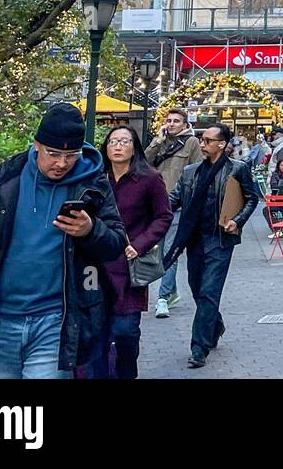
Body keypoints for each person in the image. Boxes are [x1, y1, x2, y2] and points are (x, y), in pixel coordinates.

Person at [0, 103, 126, 378]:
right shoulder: (3, 183)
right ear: (37, 145)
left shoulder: (92, 185)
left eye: (71, 155)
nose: (61, 163)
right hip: (0, 322)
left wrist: (91, 230)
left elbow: (115, 244)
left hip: (56, 321)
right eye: (53, 154)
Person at [164, 124, 262, 369]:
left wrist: (237, 221)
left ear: (222, 144)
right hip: (194, 239)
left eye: (208, 140)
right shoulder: (190, 172)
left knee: (209, 291)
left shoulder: (237, 169)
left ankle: (199, 348)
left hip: (220, 240)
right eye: (202, 139)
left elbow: (252, 197)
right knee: (197, 288)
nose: (202, 143)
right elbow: (173, 199)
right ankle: (215, 325)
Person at [92, 126, 172, 380]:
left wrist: (140, 245)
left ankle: (126, 371)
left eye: (124, 141)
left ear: (134, 147)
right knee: (97, 330)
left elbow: (163, 216)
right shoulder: (96, 178)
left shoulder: (148, 178)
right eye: (112, 141)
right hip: (96, 263)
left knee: (125, 329)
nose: (117, 146)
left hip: (129, 264)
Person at [145, 108, 202, 318]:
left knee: (170, 251)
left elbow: (197, 171)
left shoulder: (191, 143)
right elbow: (143, 162)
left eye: (176, 121)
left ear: (185, 124)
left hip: (176, 207)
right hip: (154, 205)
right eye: (168, 120)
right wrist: (157, 141)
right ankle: (172, 291)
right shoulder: (161, 142)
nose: (171, 124)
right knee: (157, 252)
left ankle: (162, 297)